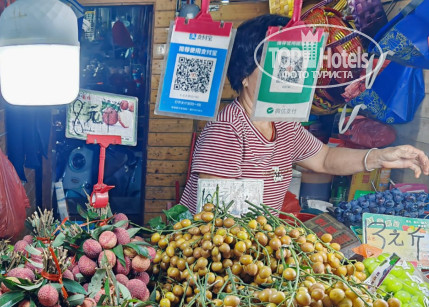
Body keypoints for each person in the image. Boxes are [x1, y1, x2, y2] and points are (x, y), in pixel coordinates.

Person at [179, 14, 429, 213]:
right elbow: (216, 216)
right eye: (275, 64)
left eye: (293, 65)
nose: (287, 75)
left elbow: (325, 159)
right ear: (244, 74)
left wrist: (379, 157)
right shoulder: (227, 130)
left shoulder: (283, 123)